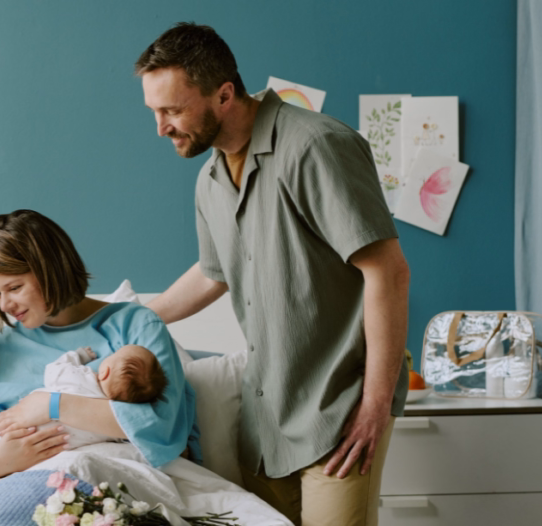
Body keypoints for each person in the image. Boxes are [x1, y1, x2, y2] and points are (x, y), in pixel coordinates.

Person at [135, 23, 411, 526]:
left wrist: (374, 406)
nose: (161, 127)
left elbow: (388, 273)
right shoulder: (211, 178)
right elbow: (213, 272)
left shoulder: (316, 145)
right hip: (265, 423)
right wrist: (128, 319)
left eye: (172, 110)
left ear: (223, 94)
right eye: (154, 111)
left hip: (338, 410)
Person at [0, 209, 199, 479]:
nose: (5, 305)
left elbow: (162, 427)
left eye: (15, 287)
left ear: (52, 271)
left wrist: (51, 405)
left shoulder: (135, 326)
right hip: (20, 487)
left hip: (116, 482)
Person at [0, 344, 168, 451]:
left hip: (4, 431)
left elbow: (54, 368)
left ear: (104, 372)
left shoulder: (80, 377)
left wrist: (79, 355)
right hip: (39, 451)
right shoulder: (110, 422)